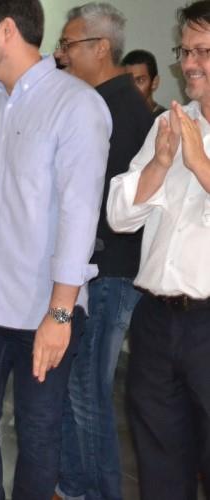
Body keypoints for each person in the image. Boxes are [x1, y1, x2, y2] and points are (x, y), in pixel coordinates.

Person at [0, 1, 112, 499]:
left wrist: (60, 313)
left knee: (37, 433)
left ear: (6, 30)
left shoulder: (76, 105)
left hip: (43, 310)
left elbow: (80, 215)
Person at [107, 1, 210, 498]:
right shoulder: (168, 123)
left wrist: (200, 164)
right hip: (155, 321)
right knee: (160, 470)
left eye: (202, 51)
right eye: (184, 51)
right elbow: (119, 216)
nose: (189, 63)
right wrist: (160, 165)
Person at [52, 4, 154, 499]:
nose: (60, 55)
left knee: (88, 393)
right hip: (97, 267)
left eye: (68, 45)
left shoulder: (118, 109)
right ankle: (74, 485)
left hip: (110, 269)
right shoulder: (100, 101)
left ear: (100, 48)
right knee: (77, 388)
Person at [122, 49, 167, 117]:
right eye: (127, 80)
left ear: (154, 83)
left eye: (140, 80)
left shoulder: (166, 119)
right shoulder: (119, 117)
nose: (132, 87)